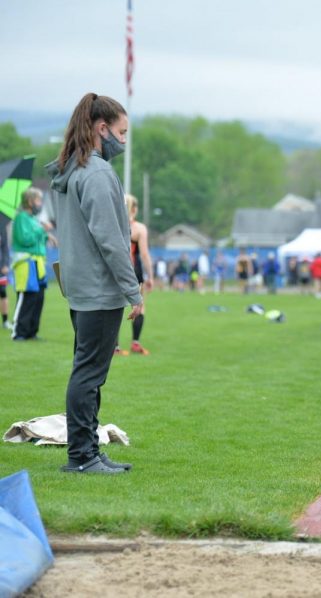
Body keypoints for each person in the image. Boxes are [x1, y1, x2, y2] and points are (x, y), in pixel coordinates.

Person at [48, 92, 142, 474]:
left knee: (88, 370)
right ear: (102, 129)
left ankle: (87, 449)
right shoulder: (99, 173)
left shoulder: (71, 170)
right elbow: (112, 240)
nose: (123, 140)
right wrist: (133, 290)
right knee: (89, 373)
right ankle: (82, 456)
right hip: (99, 290)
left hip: (79, 286)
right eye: (121, 132)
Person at [11, 187, 54, 340]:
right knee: (27, 297)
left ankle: (32, 332)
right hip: (26, 263)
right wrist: (41, 230)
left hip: (38, 263)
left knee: (38, 297)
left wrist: (46, 236)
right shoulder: (21, 217)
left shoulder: (34, 219)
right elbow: (25, 239)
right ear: (30, 201)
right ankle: (19, 332)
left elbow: (37, 239)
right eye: (38, 200)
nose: (40, 203)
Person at [116, 194, 154, 355]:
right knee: (140, 305)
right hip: (135, 272)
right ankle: (135, 343)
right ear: (134, 208)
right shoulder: (139, 229)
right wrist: (150, 276)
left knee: (115, 306)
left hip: (117, 269)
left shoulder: (115, 225)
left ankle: (115, 347)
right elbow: (144, 254)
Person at [0, 212, 11, 330]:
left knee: (2, 292)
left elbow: (5, 248)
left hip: (0, 267)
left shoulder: (2, 227)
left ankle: (5, 321)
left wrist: (5, 264)